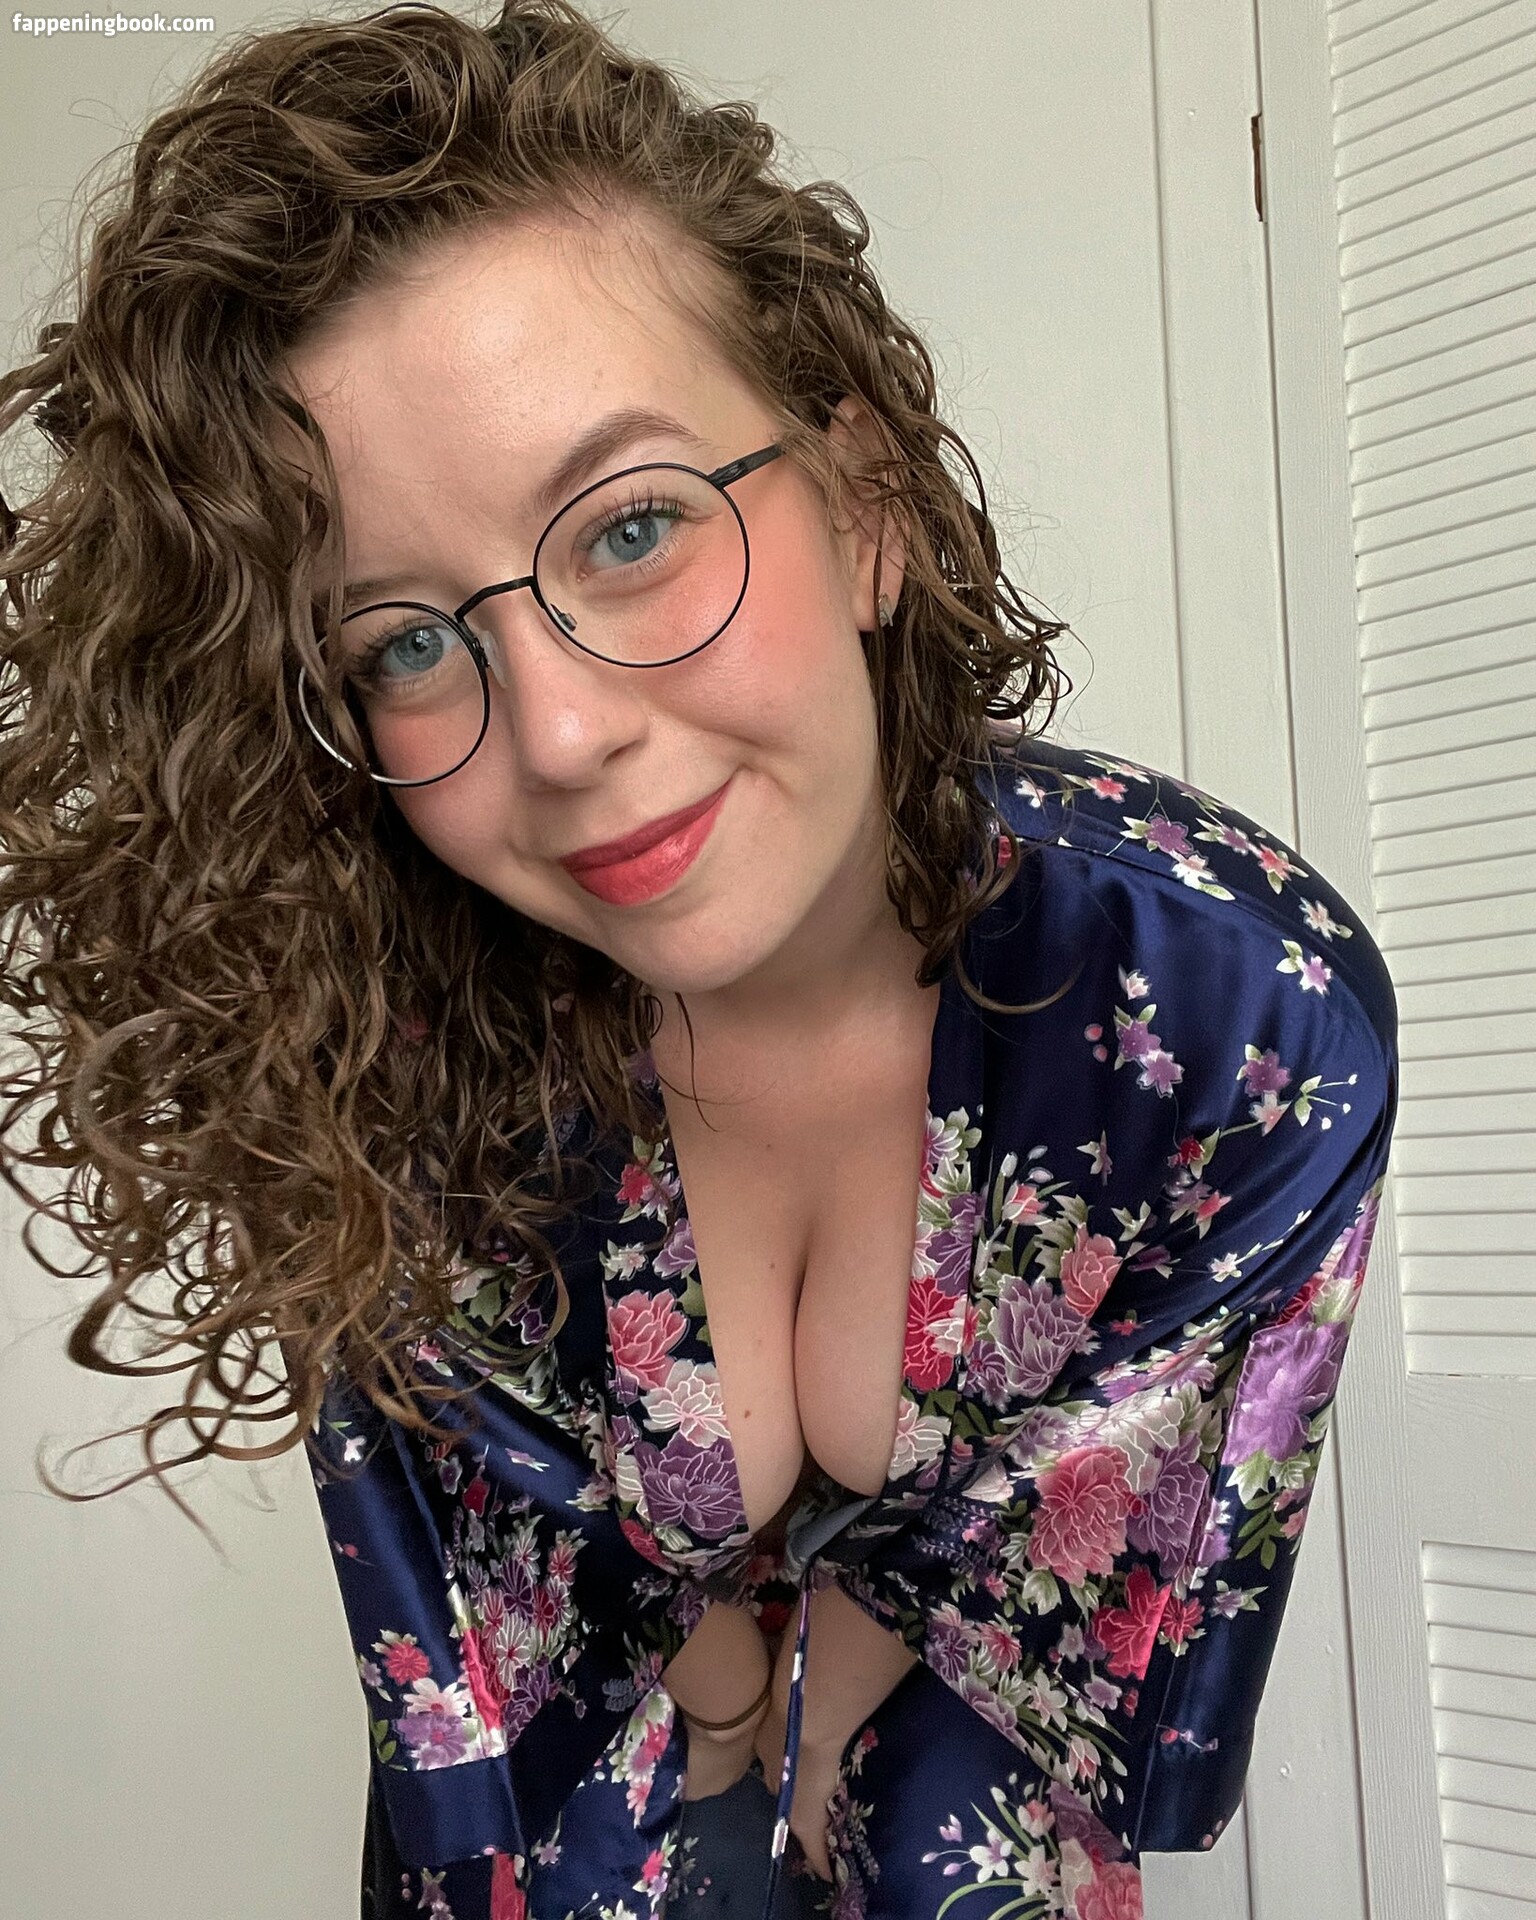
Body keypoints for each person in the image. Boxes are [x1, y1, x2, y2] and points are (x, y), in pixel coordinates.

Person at [0, 3, 1399, 1916]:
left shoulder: (1240, 1006)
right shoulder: (360, 1032)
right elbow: (471, 1602)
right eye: (402, 642)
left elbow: (1118, 1569)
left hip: (968, 1771)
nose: (563, 733)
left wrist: (845, 1712)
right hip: (601, 1777)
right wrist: (728, 1697)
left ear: (868, 503)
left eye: (634, 528)